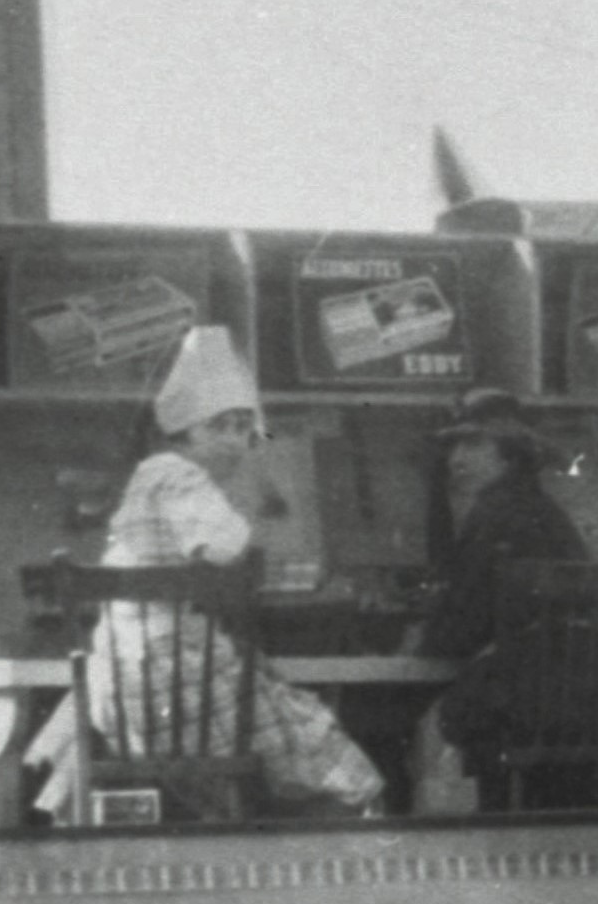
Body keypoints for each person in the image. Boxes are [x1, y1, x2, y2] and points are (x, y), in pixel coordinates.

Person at [33, 326, 390, 820]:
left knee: (271, 742)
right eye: (217, 426)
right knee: (335, 765)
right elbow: (223, 544)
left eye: (243, 426)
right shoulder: (178, 475)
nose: (234, 440)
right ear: (184, 431)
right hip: (178, 682)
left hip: (126, 688)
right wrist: (239, 534)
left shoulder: (147, 477)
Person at [408, 391, 598, 817]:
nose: (456, 459)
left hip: (514, 709)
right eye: (453, 446)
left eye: (474, 444)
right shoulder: (547, 512)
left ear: (510, 456)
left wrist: (416, 643)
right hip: (580, 710)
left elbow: (456, 631)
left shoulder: (494, 515)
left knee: (399, 722)